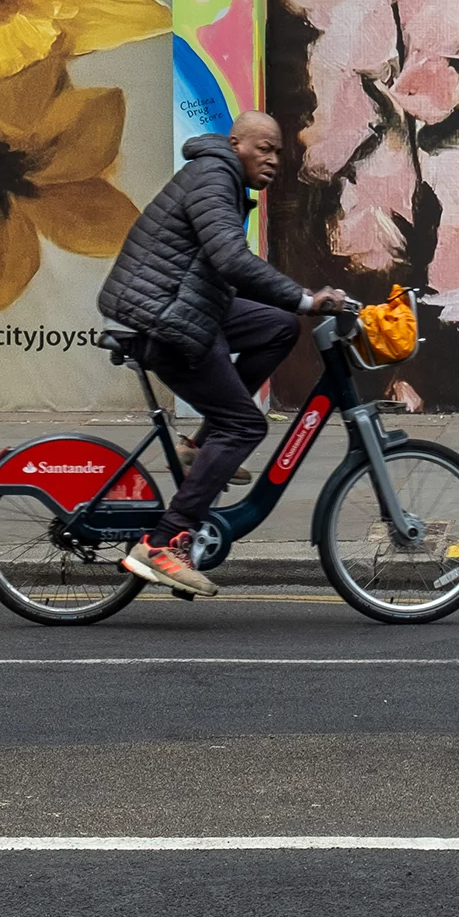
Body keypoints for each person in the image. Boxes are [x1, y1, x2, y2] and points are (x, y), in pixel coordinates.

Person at [98, 111, 347, 597]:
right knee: (246, 425)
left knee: (277, 327)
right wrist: (305, 297)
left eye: (278, 150)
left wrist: (291, 307)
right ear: (235, 144)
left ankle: (197, 448)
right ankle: (163, 543)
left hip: (181, 306)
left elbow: (219, 268)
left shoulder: (223, 178)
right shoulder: (214, 175)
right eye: (264, 148)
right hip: (160, 318)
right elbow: (230, 258)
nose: (273, 158)